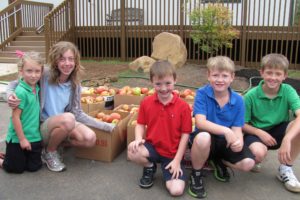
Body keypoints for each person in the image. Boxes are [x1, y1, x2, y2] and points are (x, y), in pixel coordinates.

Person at [6, 41, 115, 172]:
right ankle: (50, 152)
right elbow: (14, 84)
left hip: (63, 123)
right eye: (62, 59)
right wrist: (10, 95)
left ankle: (55, 145)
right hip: (43, 125)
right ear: (55, 61)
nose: (67, 63)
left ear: (76, 61)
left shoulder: (75, 84)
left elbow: (78, 113)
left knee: (89, 139)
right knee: (68, 119)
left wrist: (105, 126)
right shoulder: (44, 74)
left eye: (71, 59)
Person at [188, 56, 255, 198]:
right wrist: (225, 130)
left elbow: (237, 128)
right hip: (206, 139)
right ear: (208, 76)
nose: (220, 80)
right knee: (203, 137)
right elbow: (200, 122)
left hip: (225, 142)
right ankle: (196, 174)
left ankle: (219, 161)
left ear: (232, 77)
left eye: (224, 76)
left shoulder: (238, 100)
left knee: (248, 163)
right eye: (215, 75)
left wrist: (239, 142)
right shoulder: (202, 93)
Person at [127, 60, 192, 196]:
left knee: (176, 190)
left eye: (168, 83)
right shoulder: (146, 103)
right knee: (132, 151)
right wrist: (138, 139)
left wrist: (177, 160)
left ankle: (173, 168)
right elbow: (140, 124)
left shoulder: (183, 107)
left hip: (172, 153)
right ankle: (150, 167)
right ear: (152, 82)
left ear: (175, 80)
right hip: (153, 147)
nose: (163, 88)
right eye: (158, 84)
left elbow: (186, 135)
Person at [243, 53, 300, 193]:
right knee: (257, 153)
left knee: (298, 127)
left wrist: (287, 138)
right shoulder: (251, 95)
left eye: (278, 74)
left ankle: (285, 168)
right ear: (261, 72)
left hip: (279, 130)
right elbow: (241, 124)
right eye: (269, 72)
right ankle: (255, 158)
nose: (273, 77)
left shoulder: (288, 90)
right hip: (255, 131)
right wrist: (259, 132)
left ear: (284, 75)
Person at [0, 51, 44, 173]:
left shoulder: (37, 87)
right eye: (29, 71)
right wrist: (22, 139)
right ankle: (4, 160)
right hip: (18, 137)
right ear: (21, 71)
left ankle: (10, 156)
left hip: (34, 136)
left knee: (34, 167)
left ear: (41, 71)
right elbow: (15, 117)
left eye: (37, 71)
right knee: (15, 168)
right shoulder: (20, 92)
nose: (33, 75)